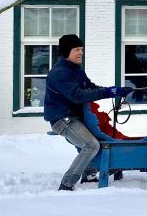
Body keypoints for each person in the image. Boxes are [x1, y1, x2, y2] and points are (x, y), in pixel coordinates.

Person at [43, 34, 130, 191]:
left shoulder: (76, 70)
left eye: (81, 49)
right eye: (77, 49)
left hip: (77, 117)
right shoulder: (60, 73)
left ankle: (92, 173)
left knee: (104, 137)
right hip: (62, 119)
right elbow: (78, 95)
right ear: (66, 52)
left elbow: (90, 88)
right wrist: (109, 92)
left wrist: (117, 91)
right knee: (90, 145)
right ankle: (66, 185)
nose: (81, 52)